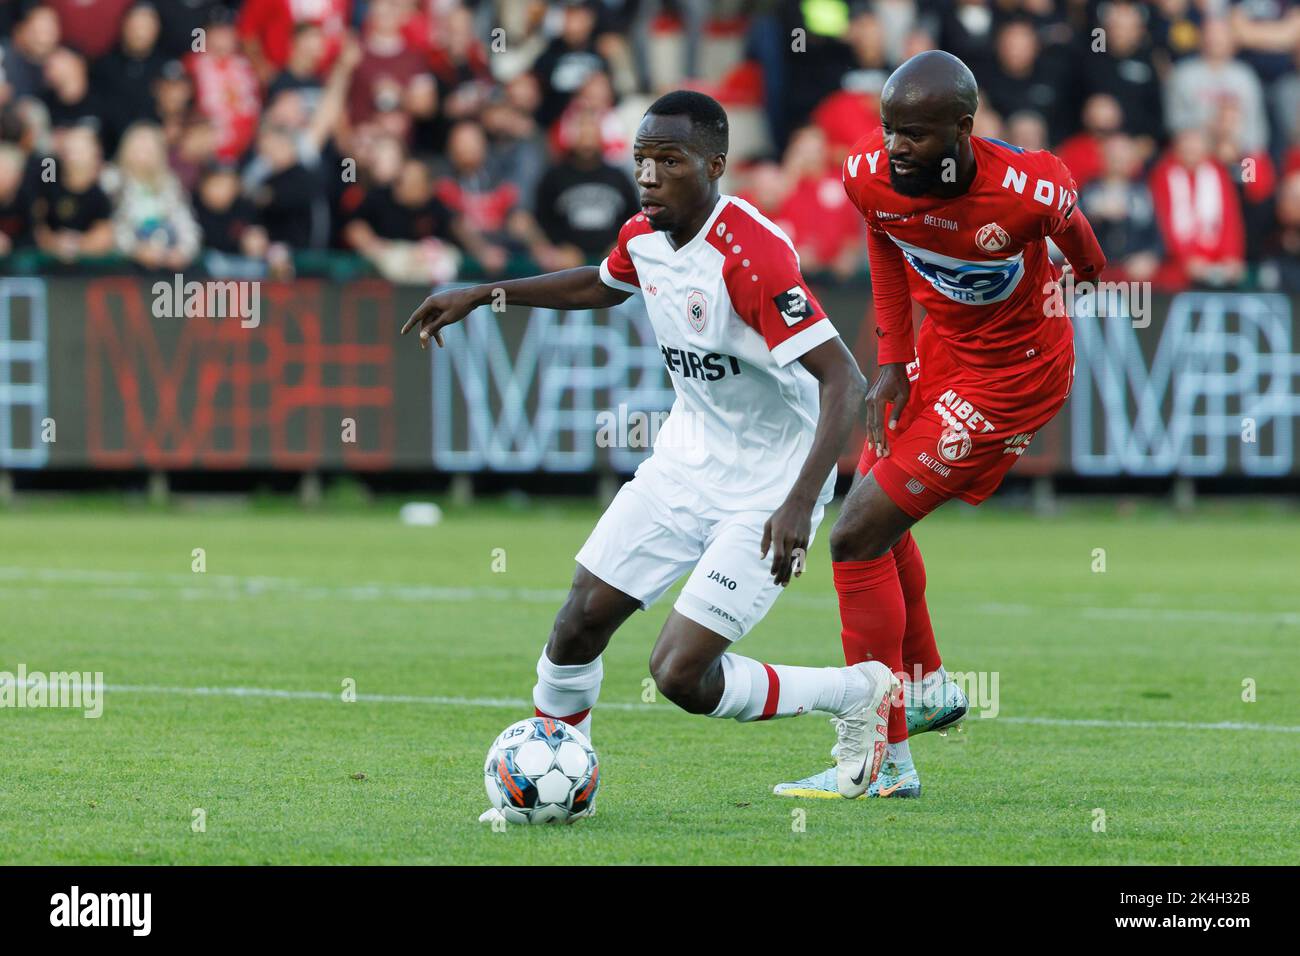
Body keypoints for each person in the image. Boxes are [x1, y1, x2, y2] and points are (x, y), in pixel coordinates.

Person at [403, 91, 899, 820]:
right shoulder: (642, 235)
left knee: (678, 675)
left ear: (715, 166)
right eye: (642, 159)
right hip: (682, 467)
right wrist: (486, 294)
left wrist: (799, 503)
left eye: (669, 160)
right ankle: (560, 791)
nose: (649, 174)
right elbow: (600, 287)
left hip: (767, 490)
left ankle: (856, 693)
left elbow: (846, 383)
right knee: (577, 623)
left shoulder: (751, 256)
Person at [775, 50, 1106, 800]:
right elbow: (884, 237)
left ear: (963, 129)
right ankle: (923, 689)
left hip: (1012, 378)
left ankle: (881, 763)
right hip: (939, 354)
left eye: (916, 136)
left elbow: (1088, 258)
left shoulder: (1030, 189)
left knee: (855, 533)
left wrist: (1064, 304)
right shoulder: (869, 176)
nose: (897, 148)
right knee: (876, 518)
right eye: (890, 130)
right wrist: (893, 357)